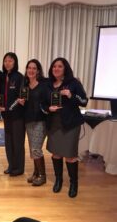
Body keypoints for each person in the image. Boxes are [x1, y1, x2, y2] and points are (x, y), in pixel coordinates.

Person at [41, 57, 88, 198]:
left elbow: (84, 101)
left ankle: (74, 184)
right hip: (54, 124)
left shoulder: (73, 83)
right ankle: (58, 180)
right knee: (56, 154)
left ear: (65, 68)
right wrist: (49, 108)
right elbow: (42, 104)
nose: (56, 68)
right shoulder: (48, 84)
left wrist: (71, 95)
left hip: (70, 125)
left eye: (60, 66)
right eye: (54, 66)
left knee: (70, 156)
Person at [0, 52, 25, 176]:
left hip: (18, 116)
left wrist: (7, 108)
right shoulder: (3, 76)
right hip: (6, 116)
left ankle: (19, 168)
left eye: (10, 61)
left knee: (17, 142)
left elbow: (20, 98)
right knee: (8, 142)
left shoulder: (19, 77)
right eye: (5, 60)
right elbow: (0, 94)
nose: (7, 63)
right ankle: (11, 165)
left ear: (15, 62)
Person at [21, 59, 47, 186]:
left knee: (36, 149)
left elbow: (48, 101)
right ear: (26, 70)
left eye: (34, 68)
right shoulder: (25, 85)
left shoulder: (43, 85)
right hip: (28, 120)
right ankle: (36, 173)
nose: (31, 70)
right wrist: (21, 102)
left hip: (40, 121)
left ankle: (42, 175)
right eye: (29, 68)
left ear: (38, 71)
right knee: (33, 149)